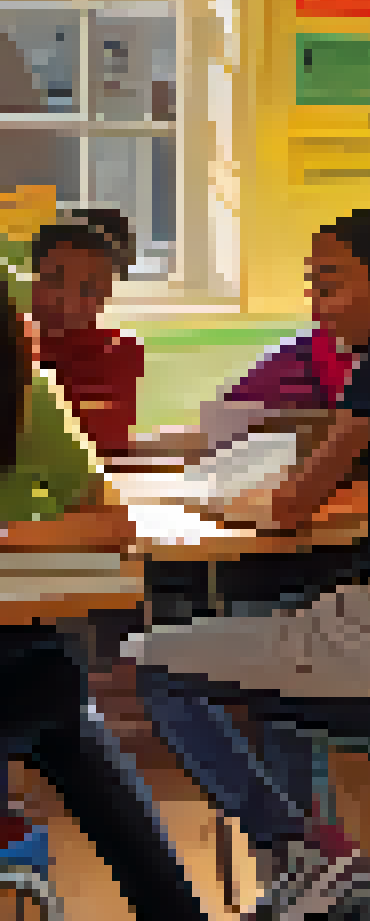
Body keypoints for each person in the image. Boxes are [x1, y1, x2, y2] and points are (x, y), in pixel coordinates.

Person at [126, 210, 370, 917]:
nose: (319, 306)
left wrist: (217, 502)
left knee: (154, 665)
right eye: (313, 286)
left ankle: (300, 850)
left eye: (331, 284)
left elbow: (291, 506)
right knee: (278, 636)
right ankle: (310, 876)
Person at [0, 275, 211, 921]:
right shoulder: (26, 389)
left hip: (24, 659)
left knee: (54, 692)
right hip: (32, 671)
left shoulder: (27, 396)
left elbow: (112, 522)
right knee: (62, 708)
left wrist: (10, 535)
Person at [28, 213, 144, 453]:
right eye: (56, 279)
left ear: (105, 293)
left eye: (87, 288)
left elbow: (104, 442)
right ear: (31, 280)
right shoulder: (15, 342)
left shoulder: (118, 352)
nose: (68, 298)